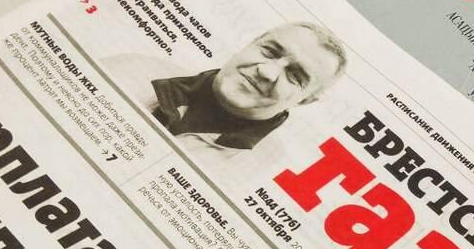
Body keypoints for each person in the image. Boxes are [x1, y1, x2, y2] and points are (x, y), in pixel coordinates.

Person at [149, 21, 347, 151]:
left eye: (295, 76)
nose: (267, 72)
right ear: (249, 44)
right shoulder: (139, 69)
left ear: (306, 100)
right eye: (269, 51)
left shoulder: (266, 171)